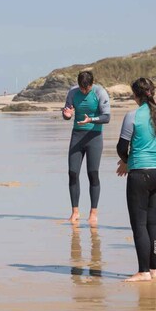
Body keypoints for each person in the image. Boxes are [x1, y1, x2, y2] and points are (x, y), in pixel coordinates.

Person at [116, 77, 156, 282]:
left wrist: (127, 161)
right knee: (153, 224)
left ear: (135, 95)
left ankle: (143, 271)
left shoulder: (133, 116)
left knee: (139, 224)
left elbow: (122, 148)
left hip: (140, 174)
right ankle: (153, 270)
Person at [62, 71, 111, 226]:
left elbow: (107, 117)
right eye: (82, 88)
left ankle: (93, 212)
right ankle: (75, 212)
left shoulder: (100, 92)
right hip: (77, 135)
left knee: (93, 174)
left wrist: (91, 119)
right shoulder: (72, 92)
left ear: (91, 84)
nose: (84, 91)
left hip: (94, 136)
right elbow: (66, 112)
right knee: (72, 172)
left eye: (86, 88)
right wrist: (67, 115)